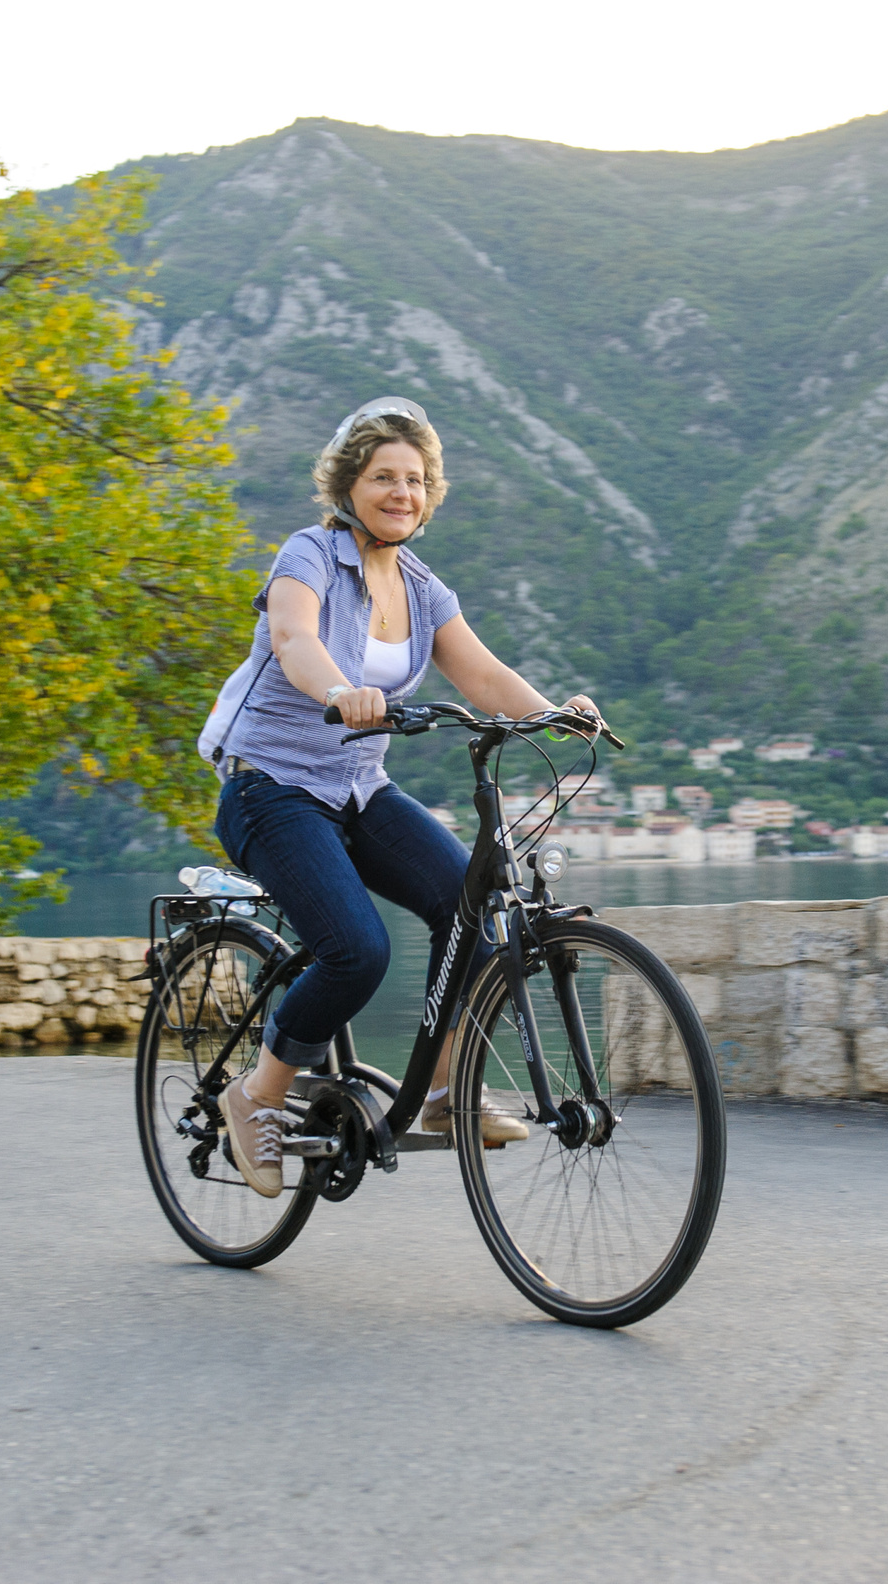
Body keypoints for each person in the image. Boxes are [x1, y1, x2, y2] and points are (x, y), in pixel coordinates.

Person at [198, 397, 600, 1197]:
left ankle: (448, 1094)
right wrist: (341, 689)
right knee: (357, 951)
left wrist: (555, 713)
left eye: (415, 480)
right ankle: (257, 1096)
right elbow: (294, 639)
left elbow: (480, 676)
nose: (402, 492)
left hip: (357, 789)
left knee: (475, 905)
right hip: (271, 788)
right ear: (349, 484)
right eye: (384, 476)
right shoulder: (308, 555)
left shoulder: (422, 588)